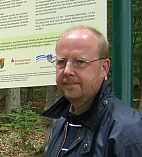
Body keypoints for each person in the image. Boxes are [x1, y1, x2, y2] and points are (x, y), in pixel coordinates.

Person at [43, 26, 142, 157]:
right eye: (61, 62)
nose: (67, 70)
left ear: (104, 68)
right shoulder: (62, 124)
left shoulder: (126, 131)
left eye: (80, 61)